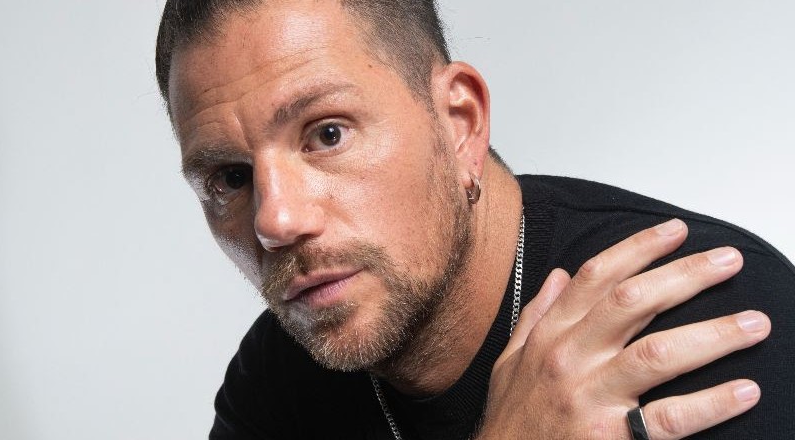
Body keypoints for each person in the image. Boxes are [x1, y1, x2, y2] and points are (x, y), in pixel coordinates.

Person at [155, 1, 795, 438]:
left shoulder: (702, 323)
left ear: (460, 124)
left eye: (327, 134)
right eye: (230, 177)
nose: (276, 221)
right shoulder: (277, 377)